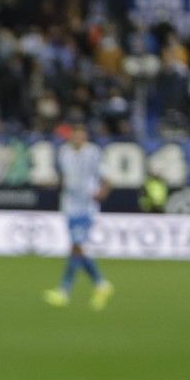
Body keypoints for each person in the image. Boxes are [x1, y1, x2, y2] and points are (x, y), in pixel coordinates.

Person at [44, 123, 113, 309]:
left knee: (77, 246)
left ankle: (64, 290)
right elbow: (64, 178)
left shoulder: (93, 153)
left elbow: (107, 178)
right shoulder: (64, 153)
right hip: (69, 206)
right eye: (75, 135)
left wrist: (102, 192)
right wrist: (55, 183)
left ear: (86, 137)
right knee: (77, 248)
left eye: (82, 135)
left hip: (87, 207)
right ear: (71, 136)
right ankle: (100, 284)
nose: (78, 138)